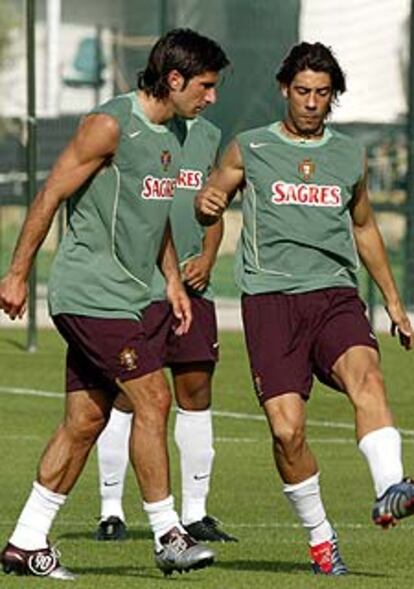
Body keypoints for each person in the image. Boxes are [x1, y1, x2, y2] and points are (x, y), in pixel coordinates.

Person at [0, 28, 229, 580]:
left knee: (84, 421)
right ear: (173, 79)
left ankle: (26, 542)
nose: (212, 97)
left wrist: (171, 281)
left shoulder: (175, 132)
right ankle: (168, 533)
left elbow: (155, 222)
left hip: (130, 298)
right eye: (205, 85)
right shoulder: (109, 126)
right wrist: (16, 273)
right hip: (91, 295)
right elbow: (50, 194)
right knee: (153, 399)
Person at [195, 41, 414, 576]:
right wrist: (208, 201)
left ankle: (393, 487)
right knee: (287, 431)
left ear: (333, 96)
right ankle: (321, 539)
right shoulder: (249, 148)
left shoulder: (348, 154)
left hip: (335, 295)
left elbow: (363, 227)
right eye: (303, 92)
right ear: (284, 91)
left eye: (322, 93)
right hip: (270, 302)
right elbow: (211, 196)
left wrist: (393, 302)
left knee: (368, 378)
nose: (312, 102)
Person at [95, 115, 237, 544]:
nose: (209, 97)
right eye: (202, 85)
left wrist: (208, 260)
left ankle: (196, 512)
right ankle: (111, 510)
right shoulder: (131, 130)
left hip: (192, 290)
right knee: (127, 394)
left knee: (195, 391)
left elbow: (213, 211)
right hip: (140, 287)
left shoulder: (211, 134)